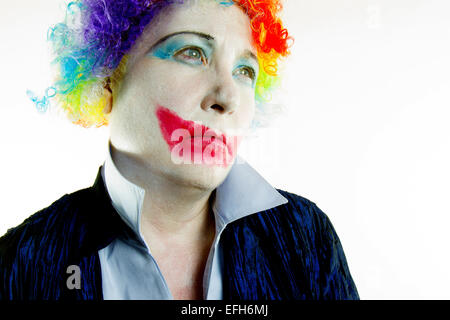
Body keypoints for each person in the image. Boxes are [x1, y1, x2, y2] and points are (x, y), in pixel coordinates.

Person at [0, 0, 359, 300]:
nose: (227, 97)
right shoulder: (19, 264)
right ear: (108, 78)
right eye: (192, 53)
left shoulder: (304, 238)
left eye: (245, 71)